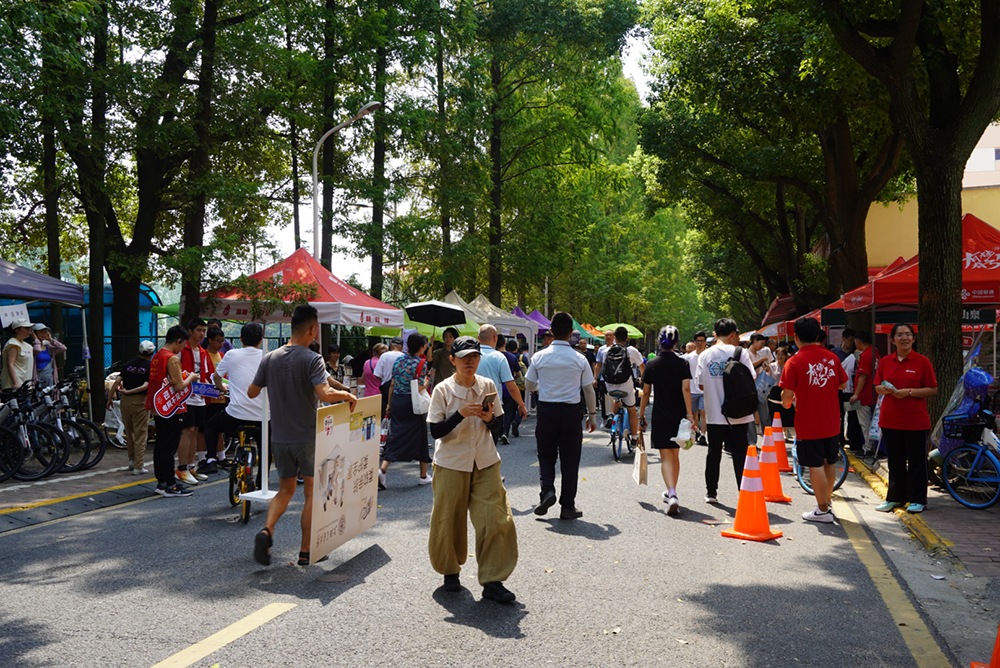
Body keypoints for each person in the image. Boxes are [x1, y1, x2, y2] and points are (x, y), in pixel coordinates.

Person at [249, 304, 357, 566]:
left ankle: (267, 530)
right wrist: (346, 394)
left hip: (280, 437)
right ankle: (307, 551)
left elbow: (252, 391)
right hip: (308, 437)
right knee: (312, 493)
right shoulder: (312, 358)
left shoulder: (270, 358)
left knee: (285, 491)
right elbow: (324, 394)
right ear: (313, 329)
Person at [427, 335, 517, 603]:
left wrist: (489, 420)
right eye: (464, 357)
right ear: (452, 360)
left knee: (496, 517)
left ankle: (492, 580)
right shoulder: (442, 390)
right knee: (448, 519)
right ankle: (450, 571)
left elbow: (498, 425)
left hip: (486, 461)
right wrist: (460, 415)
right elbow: (435, 431)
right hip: (451, 463)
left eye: (475, 356)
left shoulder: (487, 385)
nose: (470, 361)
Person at [524, 312, 598, 520]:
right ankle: (567, 506)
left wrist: (543, 387)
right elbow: (589, 390)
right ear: (571, 333)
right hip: (571, 413)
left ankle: (547, 491)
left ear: (551, 331)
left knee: (546, 455)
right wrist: (592, 416)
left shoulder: (539, 356)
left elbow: (528, 384)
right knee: (570, 460)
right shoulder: (580, 358)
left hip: (546, 411)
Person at [780, 317, 848, 523]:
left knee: (815, 465)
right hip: (831, 420)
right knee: (829, 462)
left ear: (796, 337)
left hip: (808, 422)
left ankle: (822, 510)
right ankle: (826, 503)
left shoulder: (793, 362)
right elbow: (843, 385)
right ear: (818, 335)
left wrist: (788, 402)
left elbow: (786, 397)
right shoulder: (831, 358)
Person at [873, 324, 938, 514]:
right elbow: (877, 386)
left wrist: (908, 392)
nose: (904, 338)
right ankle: (894, 498)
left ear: (913, 339)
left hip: (915, 421)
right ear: (892, 340)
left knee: (917, 461)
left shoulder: (922, 362)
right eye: (900, 335)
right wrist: (885, 389)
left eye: (908, 334)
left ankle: (918, 499)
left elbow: (933, 389)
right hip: (890, 419)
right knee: (895, 461)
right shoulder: (885, 361)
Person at [696, 317, 756, 504]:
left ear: (715, 333)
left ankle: (711, 493)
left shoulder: (705, 355)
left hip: (715, 414)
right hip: (739, 414)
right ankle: (743, 491)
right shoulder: (741, 353)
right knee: (740, 454)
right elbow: (750, 379)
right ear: (732, 334)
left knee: (714, 453)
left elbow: (701, 385)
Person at [638, 326, 693, 515]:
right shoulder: (683, 364)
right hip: (678, 415)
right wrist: (690, 414)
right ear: (676, 343)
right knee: (675, 455)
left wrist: (641, 414)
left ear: (659, 342)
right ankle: (672, 491)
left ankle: (672, 492)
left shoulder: (652, 364)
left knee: (665, 457)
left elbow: (646, 392)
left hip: (660, 414)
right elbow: (686, 389)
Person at [202, 322, 265, 474]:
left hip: (236, 414)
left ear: (241, 339)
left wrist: (222, 387)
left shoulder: (231, 354)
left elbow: (217, 376)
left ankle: (210, 459)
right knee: (266, 448)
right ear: (261, 340)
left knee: (211, 426)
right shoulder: (268, 356)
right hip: (262, 416)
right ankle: (263, 477)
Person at [147, 325, 196, 497]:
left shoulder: (157, 356)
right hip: (172, 410)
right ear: (178, 341)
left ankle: (162, 482)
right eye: (183, 345)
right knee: (169, 447)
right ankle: (170, 484)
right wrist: (191, 377)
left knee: (160, 445)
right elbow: (178, 386)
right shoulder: (172, 358)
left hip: (157, 407)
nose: (183, 348)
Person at [379, 332, 433, 488]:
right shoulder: (421, 364)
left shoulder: (399, 360)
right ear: (422, 346)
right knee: (421, 435)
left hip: (397, 400)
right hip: (413, 403)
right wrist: (428, 381)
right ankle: (422, 475)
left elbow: (393, 383)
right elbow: (418, 387)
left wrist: (389, 405)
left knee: (396, 434)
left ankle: (383, 469)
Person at [106, 341, 154, 474]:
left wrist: (110, 399)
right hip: (139, 401)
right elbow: (146, 386)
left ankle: (131, 461)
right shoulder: (150, 366)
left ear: (139, 351)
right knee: (140, 434)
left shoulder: (129, 363)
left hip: (125, 402)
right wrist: (130, 391)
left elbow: (116, 381)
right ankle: (139, 466)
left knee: (129, 431)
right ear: (151, 353)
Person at [475, 325, 528, 444]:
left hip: (471, 404)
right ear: (495, 338)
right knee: (490, 445)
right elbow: (511, 385)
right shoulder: (499, 357)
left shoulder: (471, 355)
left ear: (478, 338)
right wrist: (521, 404)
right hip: (492, 405)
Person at [176, 318, 213, 486]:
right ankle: (181, 468)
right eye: (199, 330)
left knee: (196, 429)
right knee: (187, 430)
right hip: (184, 396)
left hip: (199, 396)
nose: (202, 334)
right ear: (190, 331)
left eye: (204, 331)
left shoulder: (203, 352)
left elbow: (205, 373)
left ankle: (191, 467)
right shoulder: (181, 349)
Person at [598, 327, 645, 445]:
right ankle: (634, 438)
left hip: (609, 384)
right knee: (631, 410)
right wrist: (644, 380)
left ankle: (611, 416)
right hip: (625, 384)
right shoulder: (632, 351)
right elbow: (642, 367)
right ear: (627, 338)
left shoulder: (606, 350)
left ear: (614, 337)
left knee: (616, 399)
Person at [198, 326, 228, 472]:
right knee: (203, 430)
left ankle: (221, 457)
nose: (221, 344)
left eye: (222, 341)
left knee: (219, 429)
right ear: (210, 340)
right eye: (218, 341)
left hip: (221, 398)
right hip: (207, 398)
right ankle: (202, 458)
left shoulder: (223, 356)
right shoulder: (204, 355)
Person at [848, 329, 876, 452]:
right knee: (870, 421)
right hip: (873, 393)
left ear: (858, 342)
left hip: (864, 395)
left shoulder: (865, 355)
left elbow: (863, 376)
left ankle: (868, 447)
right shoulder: (876, 352)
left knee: (865, 422)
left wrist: (856, 394)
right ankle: (871, 446)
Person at [747, 334, 774, 443]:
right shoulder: (745, 353)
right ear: (754, 341)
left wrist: (766, 368)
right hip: (749, 389)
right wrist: (761, 360)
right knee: (750, 417)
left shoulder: (758, 354)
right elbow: (749, 367)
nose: (762, 347)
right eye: (761, 343)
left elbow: (765, 369)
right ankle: (752, 442)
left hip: (760, 388)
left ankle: (767, 440)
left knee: (765, 415)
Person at [683, 331, 708, 445]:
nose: (700, 343)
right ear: (694, 342)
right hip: (691, 390)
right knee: (693, 414)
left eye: (702, 341)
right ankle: (696, 430)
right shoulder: (688, 358)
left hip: (704, 390)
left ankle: (703, 435)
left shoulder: (708, 356)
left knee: (703, 412)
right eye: (698, 341)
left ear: (705, 342)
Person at [374, 336, 405, 418]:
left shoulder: (384, 356)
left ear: (391, 346)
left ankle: (384, 430)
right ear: (402, 347)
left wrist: (384, 378)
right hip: (400, 389)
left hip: (386, 389)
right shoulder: (404, 357)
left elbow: (377, 375)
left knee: (385, 415)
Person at [2, 319, 35, 390]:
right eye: (26, 328)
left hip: (26, 386)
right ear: (17, 330)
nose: (29, 330)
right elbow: (10, 364)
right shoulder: (13, 343)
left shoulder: (28, 346)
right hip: (14, 386)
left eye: (29, 328)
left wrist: (30, 384)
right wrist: (15, 383)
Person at [501, 338, 524, 441]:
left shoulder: (493, 356)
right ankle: (505, 431)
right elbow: (518, 374)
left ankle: (497, 431)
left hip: (495, 388)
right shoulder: (511, 357)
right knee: (509, 411)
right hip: (508, 388)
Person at [593, 330, 615, 419]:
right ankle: (605, 418)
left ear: (614, 337)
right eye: (606, 335)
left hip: (616, 378)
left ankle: (614, 416)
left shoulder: (618, 348)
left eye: (610, 335)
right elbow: (598, 364)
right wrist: (595, 378)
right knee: (603, 399)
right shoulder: (601, 349)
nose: (608, 337)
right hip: (603, 378)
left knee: (614, 398)